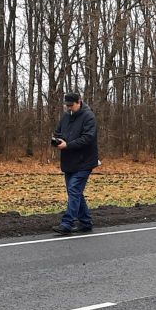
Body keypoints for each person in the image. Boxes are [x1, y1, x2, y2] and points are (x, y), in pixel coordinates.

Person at [51, 92, 99, 235]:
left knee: (74, 190)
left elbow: (88, 138)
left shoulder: (89, 117)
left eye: (71, 105)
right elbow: (58, 132)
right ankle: (86, 222)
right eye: (67, 106)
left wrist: (68, 145)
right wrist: (56, 140)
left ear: (79, 102)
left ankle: (67, 223)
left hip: (85, 161)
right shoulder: (66, 117)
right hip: (69, 161)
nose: (69, 108)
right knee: (75, 193)